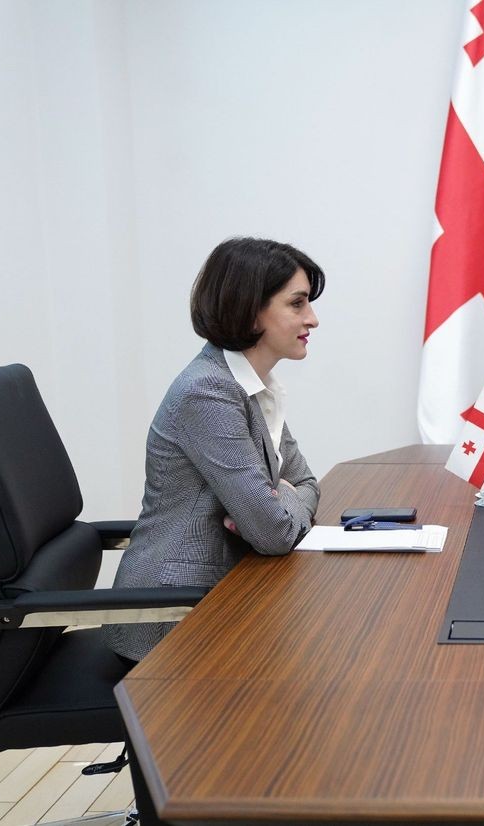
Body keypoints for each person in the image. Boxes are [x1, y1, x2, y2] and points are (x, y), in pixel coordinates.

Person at [107, 237, 324, 662]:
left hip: (225, 596)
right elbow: (275, 533)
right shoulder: (207, 392)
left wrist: (288, 499)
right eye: (297, 304)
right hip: (170, 620)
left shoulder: (252, 387)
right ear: (250, 310)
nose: (312, 319)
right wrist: (286, 505)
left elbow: (306, 483)